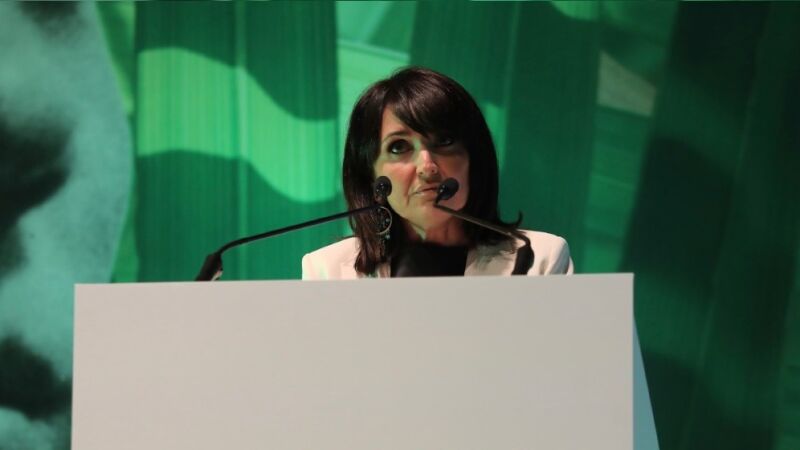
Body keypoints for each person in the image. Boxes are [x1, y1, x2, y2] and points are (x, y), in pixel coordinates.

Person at [302, 67, 572, 279]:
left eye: (444, 141)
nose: (427, 166)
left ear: (474, 159)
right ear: (371, 175)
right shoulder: (327, 270)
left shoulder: (538, 259)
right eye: (399, 147)